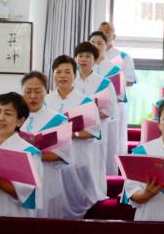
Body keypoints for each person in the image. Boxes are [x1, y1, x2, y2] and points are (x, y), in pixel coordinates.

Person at [45, 55, 105, 218]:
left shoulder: (85, 102)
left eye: (67, 72)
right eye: (58, 72)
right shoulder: (46, 101)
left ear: (75, 75)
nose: (62, 76)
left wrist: (72, 133)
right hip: (53, 159)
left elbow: (93, 132)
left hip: (77, 157)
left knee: (77, 199)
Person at [20, 71, 73, 218]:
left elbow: (62, 153)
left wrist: (29, 155)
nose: (32, 96)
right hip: (19, 179)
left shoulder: (58, 120)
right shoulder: (13, 117)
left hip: (46, 178)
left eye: (37, 91)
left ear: (46, 91)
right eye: (28, 91)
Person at [74, 42, 119, 178]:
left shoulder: (103, 83)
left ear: (95, 59)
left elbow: (108, 111)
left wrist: (84, 118)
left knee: (94, 164)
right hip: (73, 133)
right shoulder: (70, 81)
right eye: (80, 56)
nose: (83, 59)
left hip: (95, 133)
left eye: (88, 56)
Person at [99, 22, 138, 159]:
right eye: (101, 31)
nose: (104, 34)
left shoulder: (123, 57)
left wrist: (108, 84)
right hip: (93, 105)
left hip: (116, 103)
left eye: (107, 32)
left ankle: (115, 166)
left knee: (114, 139)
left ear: (113, 35)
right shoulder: (88, 58)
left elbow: (130, 80)